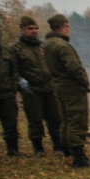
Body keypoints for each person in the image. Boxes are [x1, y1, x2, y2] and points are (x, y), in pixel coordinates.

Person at [43, 14, 90, 168]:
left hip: (59, 87)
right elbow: (73, 67)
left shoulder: (47, 45)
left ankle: (68, 151)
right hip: (72, 88)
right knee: (77, 120)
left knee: (66, 120)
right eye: (68, 27)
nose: (69, 30)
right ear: (64, 27)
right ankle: (79, 158)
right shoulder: (62, 45)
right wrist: (84, 82)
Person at [10, 15, 63, 157]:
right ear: (22, 30)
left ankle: (57, 145)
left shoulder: (43, 47)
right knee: (35, 120)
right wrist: (21, 83)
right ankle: (38, 147)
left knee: (55, 118)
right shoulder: (16, 49)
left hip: (50, 88)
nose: (33, 31)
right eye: (29, 28)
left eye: (35, 28)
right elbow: (13, 71)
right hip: (32, 91)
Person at [0, 43, 17, 157]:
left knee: (10, 123)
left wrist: (13, 86)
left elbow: (14, 70)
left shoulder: (7, 50)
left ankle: (13, 149)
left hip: (6, 93)